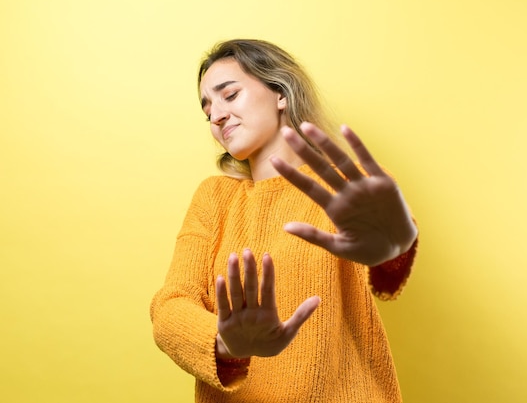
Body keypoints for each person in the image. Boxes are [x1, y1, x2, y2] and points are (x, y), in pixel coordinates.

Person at [150, 39, 419, 403]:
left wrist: (394, 252)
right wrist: (225, 342)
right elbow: (170, 305)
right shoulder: (215, 198)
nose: (216, 116)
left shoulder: (348, 185)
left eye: (229, 95)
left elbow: (387, 258)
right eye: (207, 109)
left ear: (280, 92)